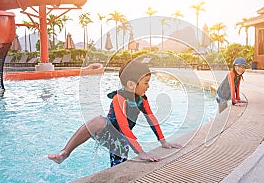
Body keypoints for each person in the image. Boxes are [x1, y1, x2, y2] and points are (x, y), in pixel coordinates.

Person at [48, 59, 181, 167]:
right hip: (107, 131)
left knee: (119, 166)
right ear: (130, 84)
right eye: (146, 83)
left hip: (120, 140)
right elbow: (123, 126)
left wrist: (163, 142)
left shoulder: (142, 100)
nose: (148, 86)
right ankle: (64, 153)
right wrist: (140, 152)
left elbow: (152, 120)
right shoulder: (119, 98)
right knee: (98, 121)